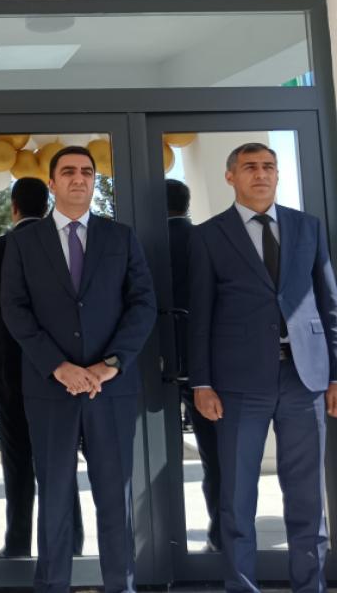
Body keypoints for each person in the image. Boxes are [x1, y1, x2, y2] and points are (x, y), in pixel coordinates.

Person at [1, 146, 156, 593]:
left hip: (111, 390)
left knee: (114, 498)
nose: (79, 178)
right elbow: (14, 309)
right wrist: (57, 366)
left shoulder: (120, 237)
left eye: (87, 172)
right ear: (51, 183)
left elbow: (143, 304)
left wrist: (112, 364)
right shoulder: (23, 242)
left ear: (94, 180)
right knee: (53, 498)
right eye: (68, 171)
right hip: (51, 391)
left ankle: (120, 586)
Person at [188, 143, 337, 593]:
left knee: (307, 496)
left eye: (269, 166)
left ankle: (309, 586)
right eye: (250, 167)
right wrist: (202, 382)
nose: (261, 174)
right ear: (230, 176)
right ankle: (242, 586)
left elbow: (328, 303)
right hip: (238, 385)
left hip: (304, 380)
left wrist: (334, 375)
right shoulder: (208, 235)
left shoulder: (307, 227)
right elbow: (199, 314)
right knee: (237, 496)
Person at [0, 177, 84, 558]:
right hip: (59, 367)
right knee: (60, 458)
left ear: (14, 207)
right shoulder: (61, 247)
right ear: (46, 206)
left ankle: (17, 543)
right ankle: (70, 542)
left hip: (8, 367)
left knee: (16, 457)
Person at [165, 178, 221, 552]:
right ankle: (220, 536)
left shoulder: (144, 241)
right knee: (214, 456)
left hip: (155, 363)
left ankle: (158, 543)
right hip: (207, 364)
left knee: (150, 453)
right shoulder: (207, 239)